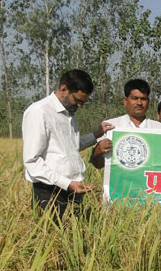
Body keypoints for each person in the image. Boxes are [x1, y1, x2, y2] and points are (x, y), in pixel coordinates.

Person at [22, 69, 112, 217]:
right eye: (78, 100)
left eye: (83, 102)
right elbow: (32, 161)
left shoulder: (69, 113)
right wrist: (66, 183)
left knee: (74, 230)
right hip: (49, 191)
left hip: (74, 187)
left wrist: (97, 134)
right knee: (50, 231)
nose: (80, 106)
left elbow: (71, 147)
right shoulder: (39, 112)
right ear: (64, 89)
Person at [90, 78, 161, 169]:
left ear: (148, 101)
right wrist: (97, 151)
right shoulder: (110, 126)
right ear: (125, 101)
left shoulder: (159, 128)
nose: (139, 103)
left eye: (143, 99)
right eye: (135, 98)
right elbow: (98, 165)